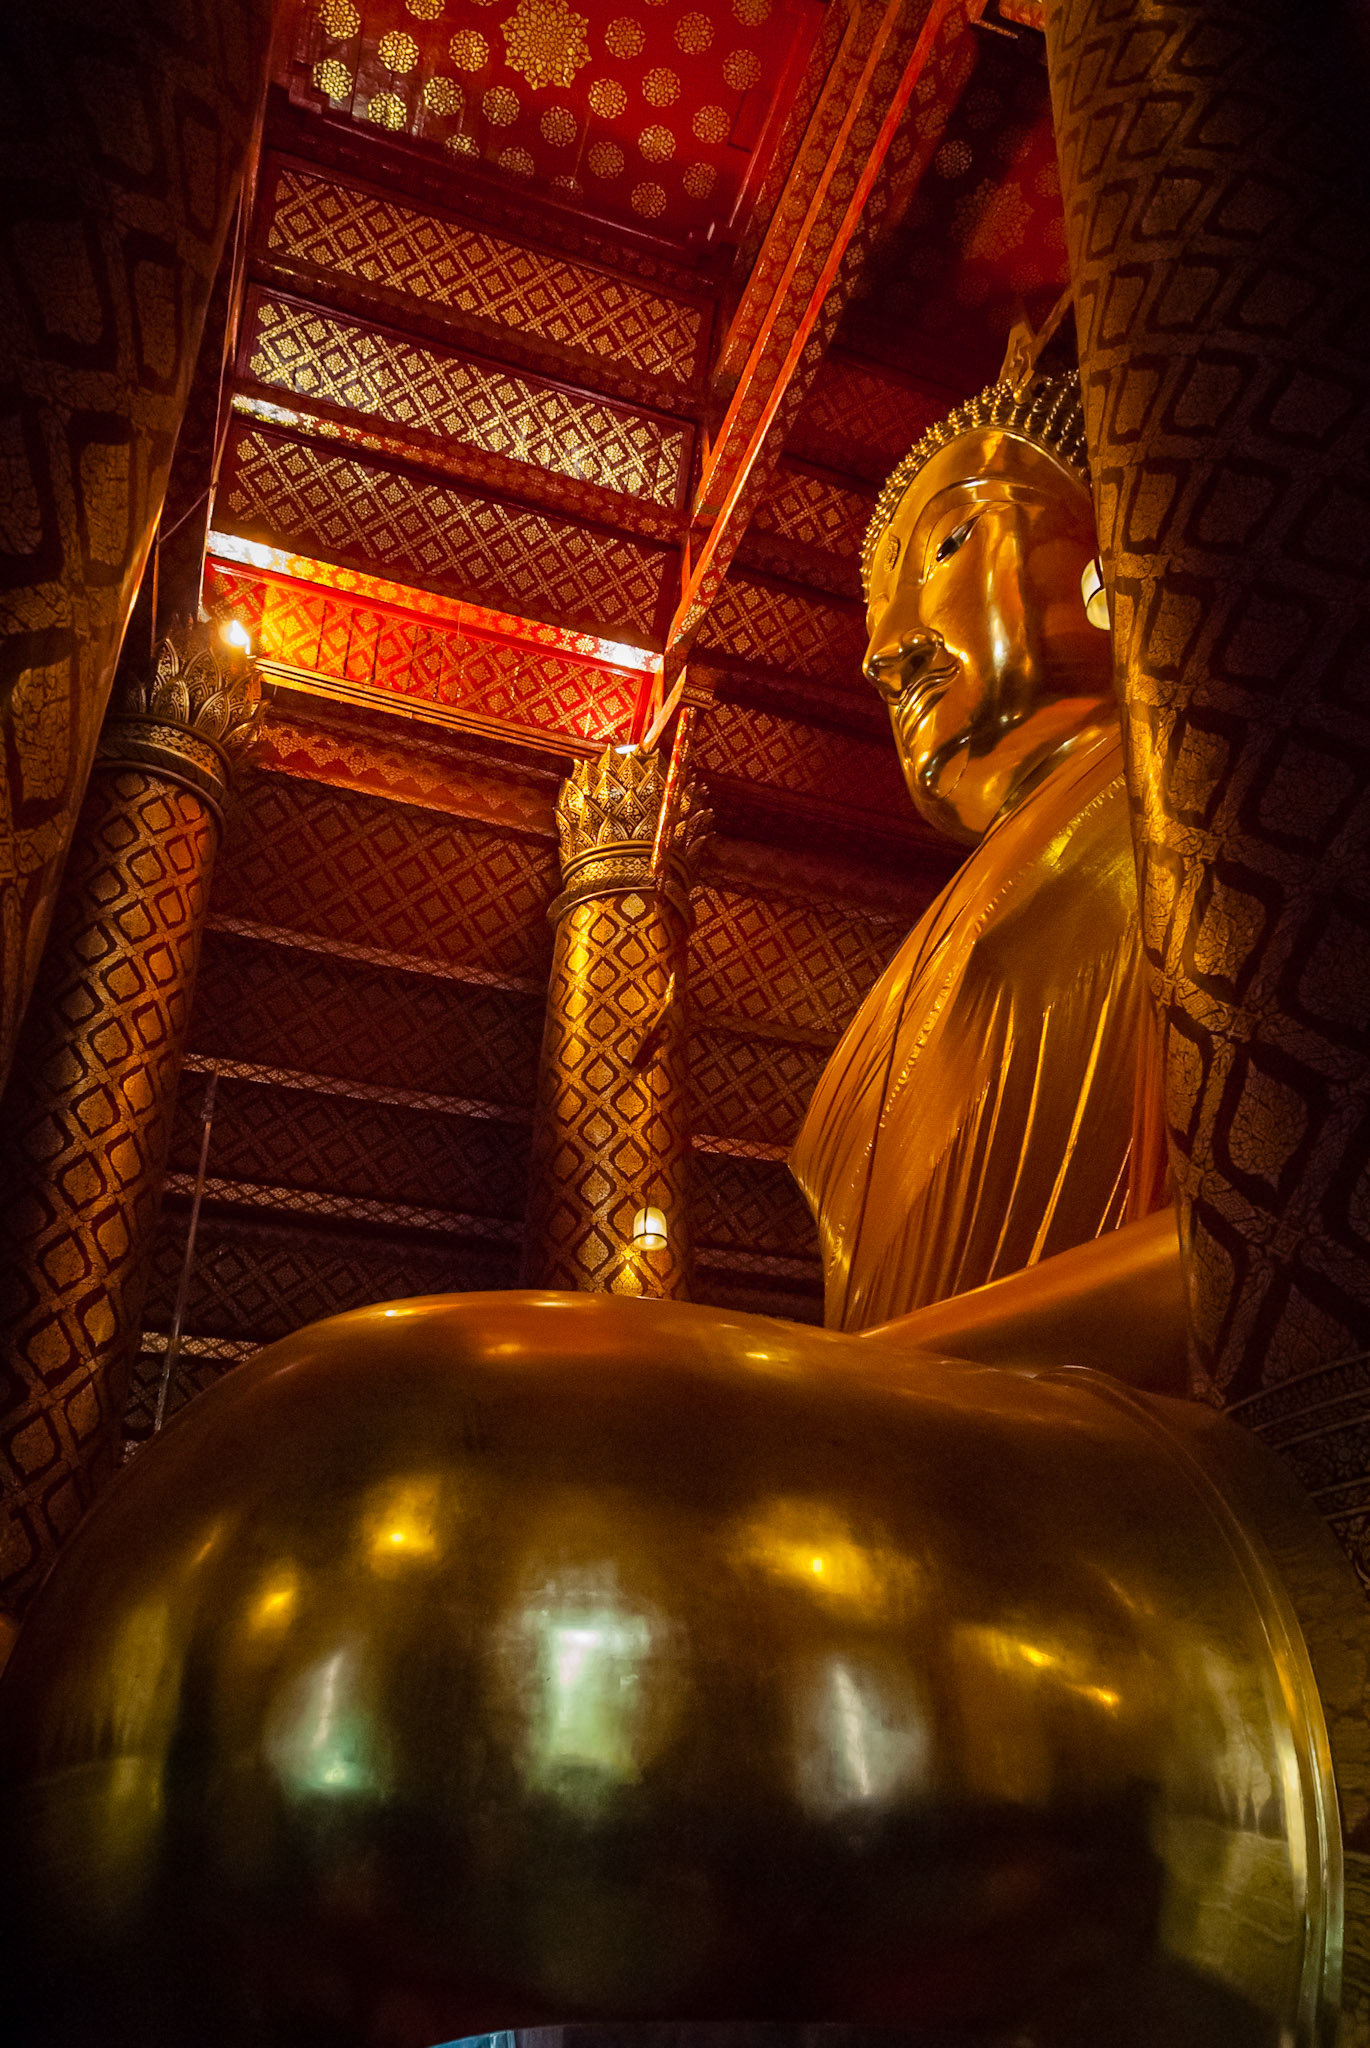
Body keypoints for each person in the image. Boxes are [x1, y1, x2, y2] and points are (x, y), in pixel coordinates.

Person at [791, 310, 1180, 1378]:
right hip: (928, 1462)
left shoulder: (1196, 786)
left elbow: (1283, 1255)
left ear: (1111, 551)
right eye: (876, 613)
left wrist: (866, 1393)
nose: (884, 650)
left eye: (950, 544)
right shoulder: (919, 952)